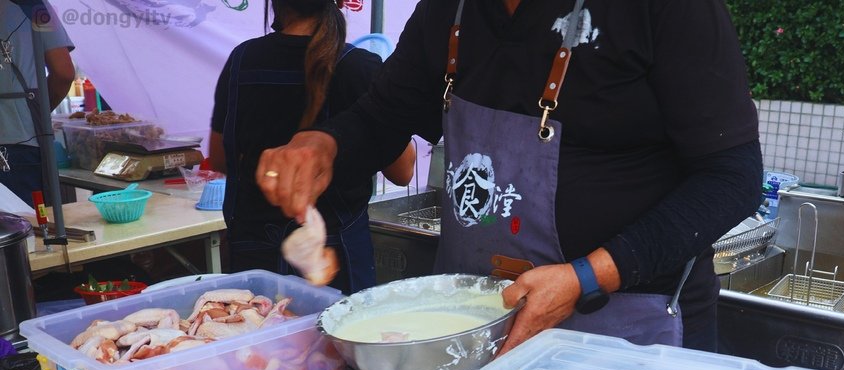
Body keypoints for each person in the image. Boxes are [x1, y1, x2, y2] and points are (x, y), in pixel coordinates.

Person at [256, 0, 762, 351]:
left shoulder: (666, 9)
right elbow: (382, 113)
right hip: (482, 328)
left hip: (631, 331)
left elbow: (732, 175)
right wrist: (327, 142)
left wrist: (585, 277)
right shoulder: (450, 10)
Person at [207, 0, 415, 294]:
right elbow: (403, 171)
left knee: (260, 338)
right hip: (333, 265)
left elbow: (219, 158)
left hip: (254, 260)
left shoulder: (242, 60)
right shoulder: (359, 67)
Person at [0, 0, 75, 206]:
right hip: (19, 144)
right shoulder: (34, 7)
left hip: (15, 145)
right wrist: (37, 111)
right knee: (31, 231)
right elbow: (63, 72)